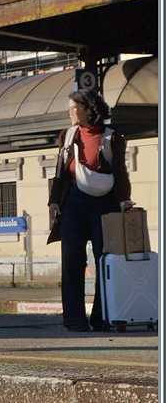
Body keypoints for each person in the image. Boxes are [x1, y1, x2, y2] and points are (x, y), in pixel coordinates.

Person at [47, 89, 133, 332]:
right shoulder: (67, 135)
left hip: (103, 203)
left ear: (88, 109)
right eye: (70, 108)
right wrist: (54, 202)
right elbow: (60, 172)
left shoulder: (112, 137)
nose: (71, 112)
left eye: (74, 108)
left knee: (104, 261)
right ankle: (74, 319)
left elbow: (120, 172)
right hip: (72, 202)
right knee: (72, 260)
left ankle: (101, 317)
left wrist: (124, 200)